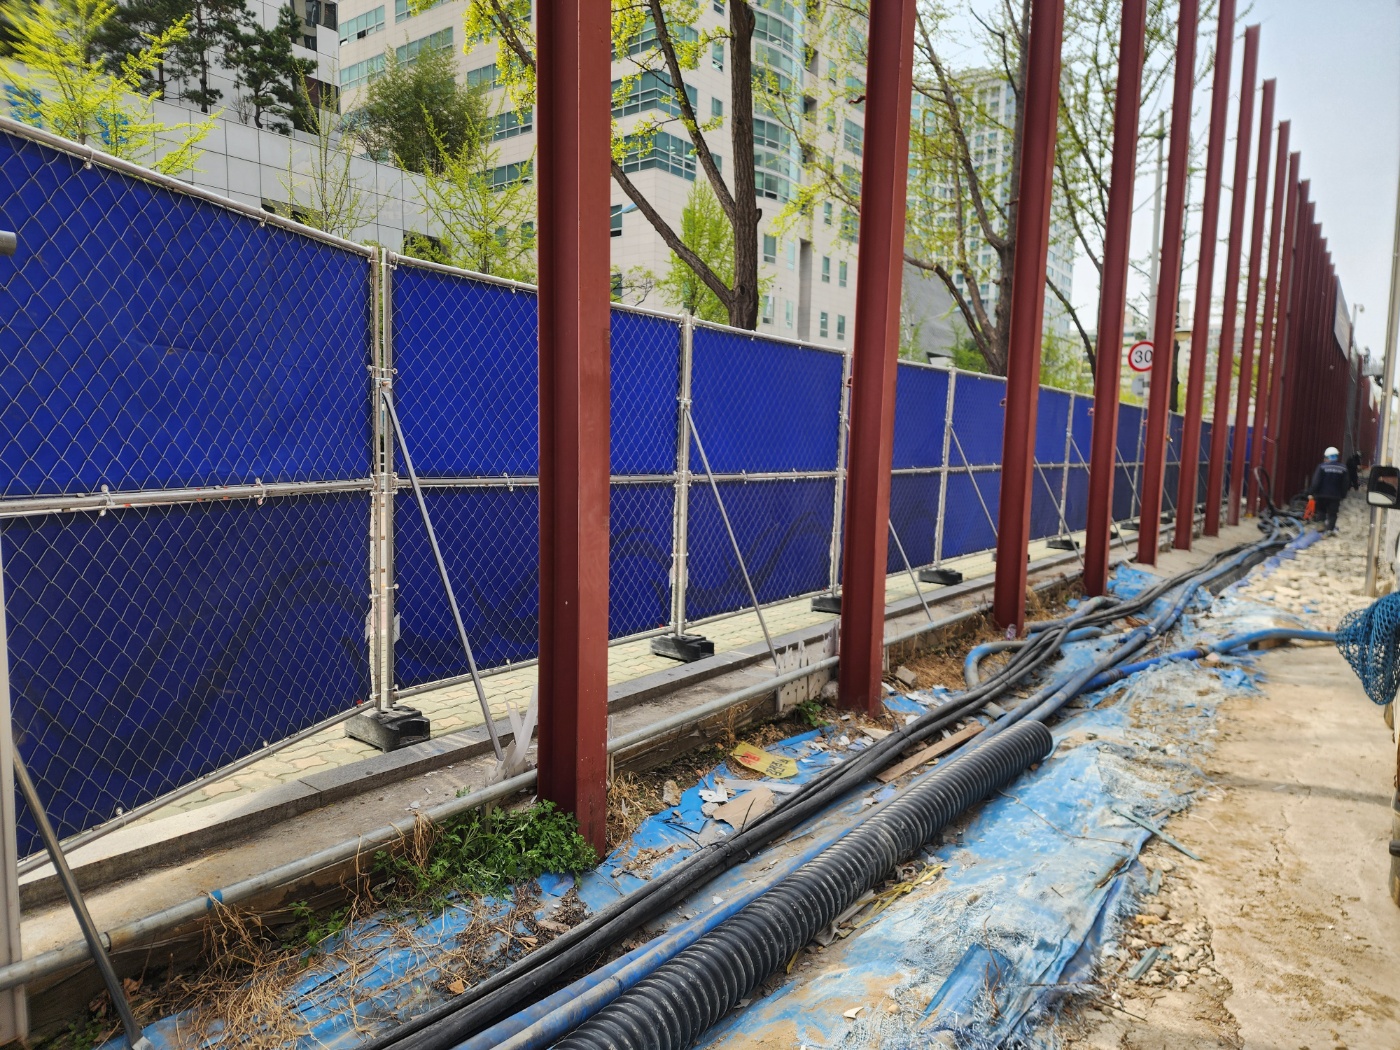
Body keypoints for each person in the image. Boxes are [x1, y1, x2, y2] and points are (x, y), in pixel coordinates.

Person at [1309, 446, 1349, 533]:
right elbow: (1345, 484)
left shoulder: (1321, 467)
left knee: (1321, 511)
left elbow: (1316, 482)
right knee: (1333, 514)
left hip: (1321, 495)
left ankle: (1320, 527)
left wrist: (1311, 492)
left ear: (1327, 457)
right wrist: (1343, 495)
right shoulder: (1343, 468)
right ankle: (1330, 530)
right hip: (1335, 496)